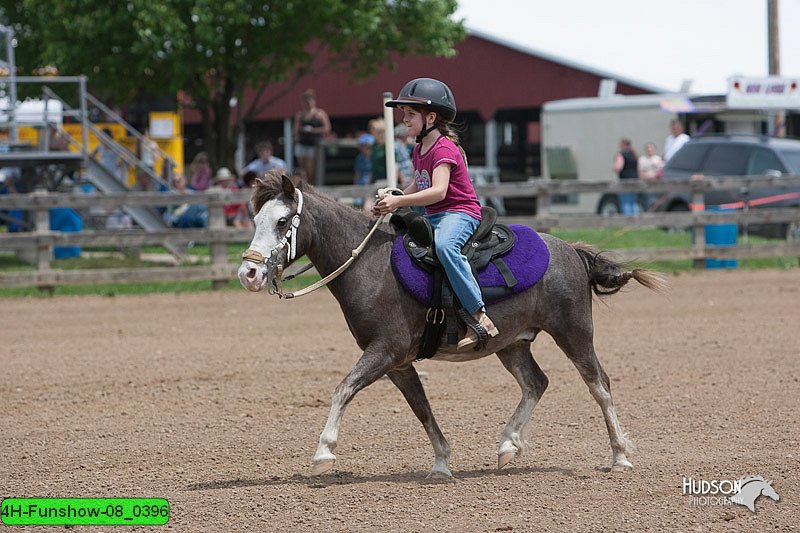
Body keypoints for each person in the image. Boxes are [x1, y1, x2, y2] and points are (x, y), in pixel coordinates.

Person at [374, 77, 498, 352]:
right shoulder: (419, 148)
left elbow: (439, 191)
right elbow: (419, 184)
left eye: (410, 114)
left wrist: (401, 201)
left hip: (460, 212)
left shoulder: (443, 148)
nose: (404, 120)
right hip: (436, 216)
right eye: (403, 114)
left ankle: (480, 316)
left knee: (445, 247)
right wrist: (393, 198)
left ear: (430, 117)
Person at [293, 89, 331, 183]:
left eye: (309, 100)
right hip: (302, 143)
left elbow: (327, 128)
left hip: (313, 144)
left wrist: (313, 130)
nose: (307, 103)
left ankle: (312, 185)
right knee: (302, 169)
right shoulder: (300, 115)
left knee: (311, 170)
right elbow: (296, 130)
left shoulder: (319, 114)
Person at [613, 138, 639, 215]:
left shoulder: (621, 154)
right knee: (633, 202)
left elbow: (618, 167)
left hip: (625, 180)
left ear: (623, 145)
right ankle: (636, 221)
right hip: (635, 180)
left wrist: (614, 167)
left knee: (625, 201)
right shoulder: (634, 154)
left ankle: (628, 223)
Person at [637, 141, 664, 211]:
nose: (649, 149)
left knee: (657, 204)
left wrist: (652, 175)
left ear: (654, 149)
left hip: (657, 186)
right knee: (646, 205)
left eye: (651, 147)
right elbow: (640, 173)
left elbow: (661, 173)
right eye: (647, 148)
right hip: (646, 187)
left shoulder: (658, 159)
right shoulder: (641, 159)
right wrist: (651, 175)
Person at [353, 133, 374, 211]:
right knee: (357, 203)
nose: (365, 148)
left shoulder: (374, 157)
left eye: (368, 147)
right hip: (361, 184)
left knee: (368, 206)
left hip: (372, 186)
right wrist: (355, 186)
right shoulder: (360, 158)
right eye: (363, 146)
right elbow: (357, 173)